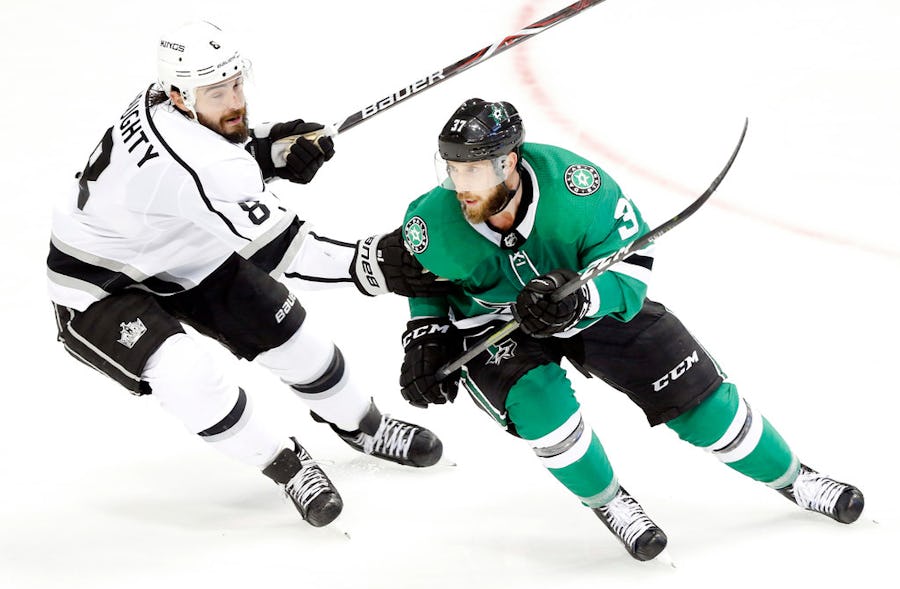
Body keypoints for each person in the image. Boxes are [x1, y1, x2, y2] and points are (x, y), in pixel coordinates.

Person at [396, 98, 865, 560]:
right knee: (542, 408)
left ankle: (796, 479)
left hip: (587, 301)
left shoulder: (577, 186)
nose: (461, 185)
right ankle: (610, 502)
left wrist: (581, 298)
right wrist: (425, 336)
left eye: (473, 170)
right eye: (453, 169)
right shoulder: (429, 220)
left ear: (509, 162)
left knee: (699, 401)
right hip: (494, 323)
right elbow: (420, 279)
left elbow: (633, 265)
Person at [46, 20, 449, 528]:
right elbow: (285, 249)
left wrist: (273, 150)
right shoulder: (201, 162)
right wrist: (373, 262)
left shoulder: (163, 99)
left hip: (180, 248)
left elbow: (210, 159)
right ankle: (288, 466)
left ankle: (362, 425)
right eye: (218, 93)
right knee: (186, 375)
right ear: (181, 95)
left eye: (236, 83)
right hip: (96, 281)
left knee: (298, 342)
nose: (235, 101)